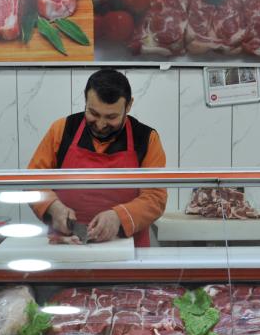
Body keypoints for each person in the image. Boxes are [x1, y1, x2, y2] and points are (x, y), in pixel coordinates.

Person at [27, 69, 167, 247]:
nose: (101, 125)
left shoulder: (146, 138)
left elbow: (155, 197)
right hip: (68, 245)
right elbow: (33, 180)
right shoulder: (62, 129)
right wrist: (52, 206)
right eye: (93, 113)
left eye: (111, 117)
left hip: (129, 250)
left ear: (129, 106)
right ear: (85, 100)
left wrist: (119, 217)